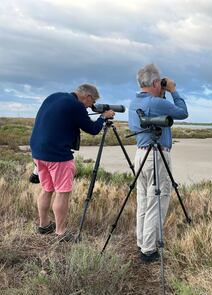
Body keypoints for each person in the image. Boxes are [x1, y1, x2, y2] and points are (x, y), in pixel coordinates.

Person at [29, 84, 115, 242]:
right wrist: (104, 117)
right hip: (58, 155)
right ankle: (60, 233)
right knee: (62, 192)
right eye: (92, 101)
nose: (91, 106)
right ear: (87, 96)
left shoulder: (54, 96)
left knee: (47, 189)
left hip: (38, 151)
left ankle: (44, 225)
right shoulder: (76, 106)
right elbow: (93, 129)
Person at [129, 64, 188, 263]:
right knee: (158, 200)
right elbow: (182, 112)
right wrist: (172, 90)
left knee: (143, 200)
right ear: (155, 82)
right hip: (156, 156)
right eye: (160, 82)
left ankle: (142, 241)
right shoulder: (157, 103)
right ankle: (149, 249)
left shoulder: (134, 101)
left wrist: (161, 92)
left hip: (140, 154)